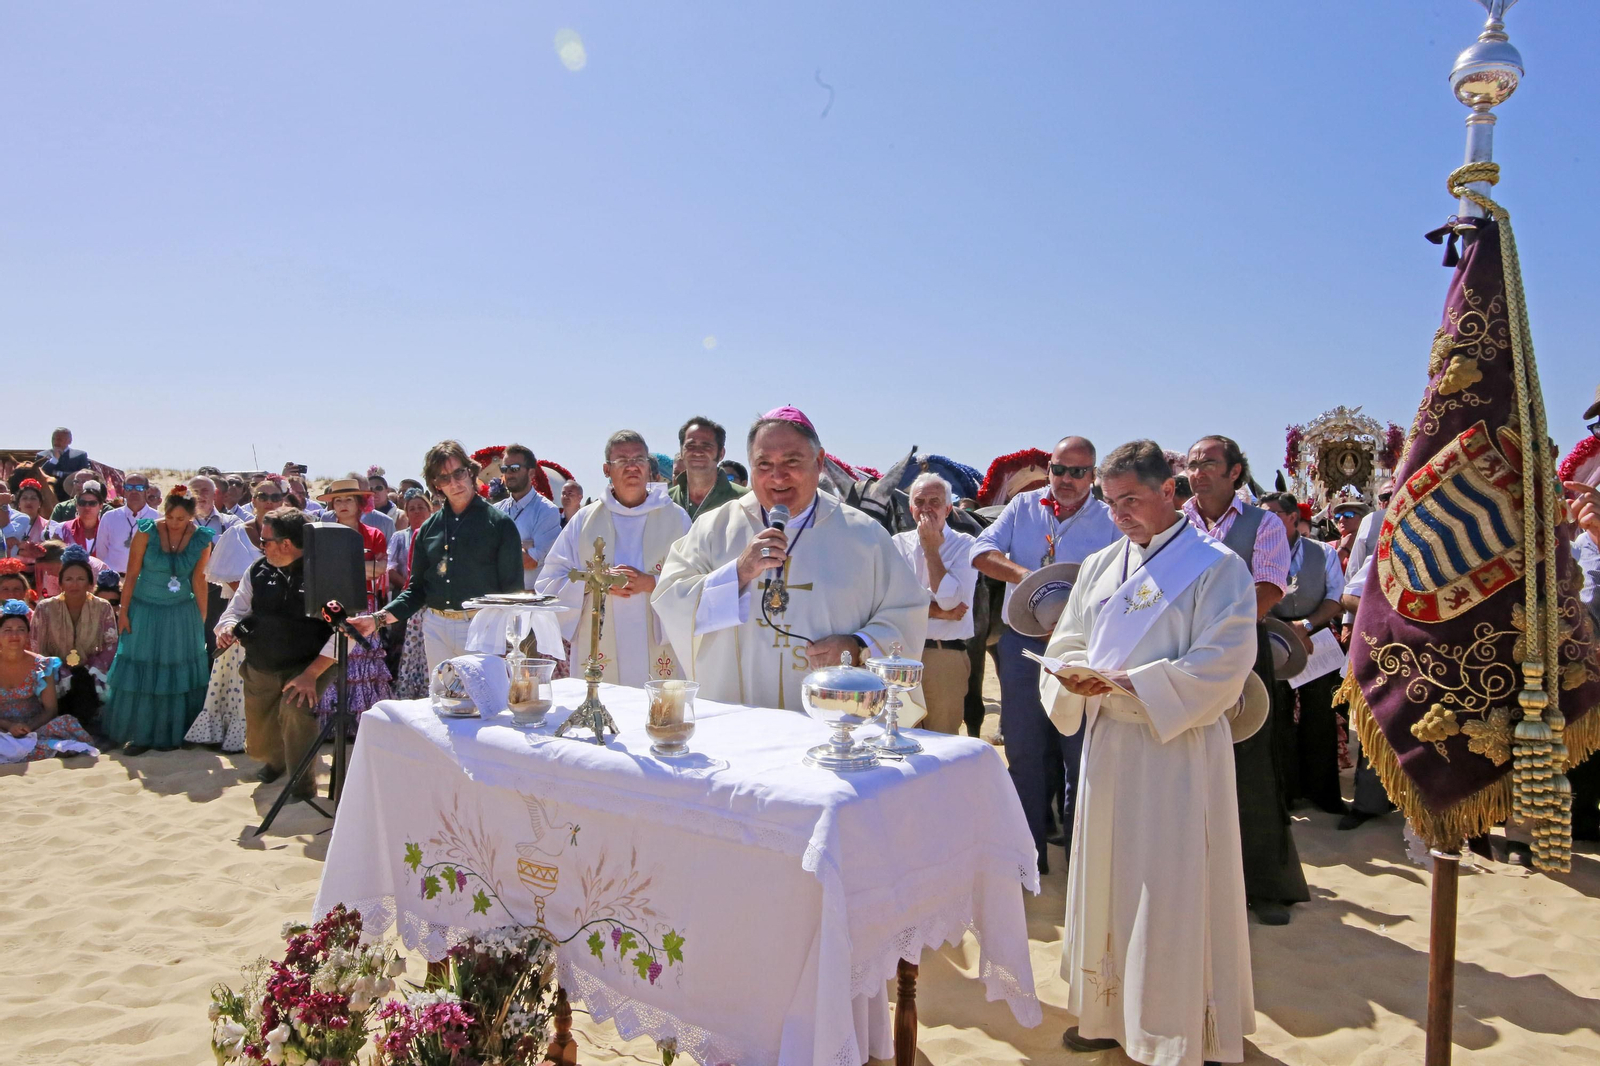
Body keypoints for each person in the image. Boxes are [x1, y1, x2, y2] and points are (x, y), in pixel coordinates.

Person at [1038, 440, 1256, 1066]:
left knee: (1169, 886)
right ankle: (1106, 1016)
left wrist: (1138, 684)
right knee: (1108, 877)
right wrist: (1074, 675)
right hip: (1109, 745)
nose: (1119, 514)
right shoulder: (1101, 564)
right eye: (1110, 502)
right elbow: (1069, 638)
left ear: (1169, 491)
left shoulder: (1215, 567)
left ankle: (1176, 1030)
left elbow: (1226, 660)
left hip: (1175, 749)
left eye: (1131, 499)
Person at [654, 407, 928, 711]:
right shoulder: (713, 528)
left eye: (792, 461)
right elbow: (670, 599)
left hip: (832, 721)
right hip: (737, 717)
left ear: (819, 462)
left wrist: (858, 646)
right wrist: (737, 573)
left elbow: (908, 612)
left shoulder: (865, 535)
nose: (777, 475)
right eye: (764, 464)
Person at [970, 436, 1119, 872]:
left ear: (1093, 475)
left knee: (1079, 756)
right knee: (1024, 752)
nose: (1066, 479)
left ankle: (1079, 864)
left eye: (1078, 472)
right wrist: (1025, 578)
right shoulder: (1022, 507)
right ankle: (1027, 859)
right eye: (1059, 469)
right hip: (1022, 646)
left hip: (1082, 649)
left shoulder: (1109, 519)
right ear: (1048, 469)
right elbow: (981, 551)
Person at [1183, 435, 1307, 925]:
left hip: (1240, 653)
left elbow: (1269, 588)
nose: (1197, 472)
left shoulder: (1263, 523)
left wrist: (1218, 632)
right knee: (1189, 759)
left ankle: (1266, 886)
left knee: (1251, 766)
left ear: (1235, 471)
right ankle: (1197, 881)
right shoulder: (1175, 520)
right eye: (1192, 463)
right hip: (1181, 651)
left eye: (1208, 463)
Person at [353, 441, 522, 670]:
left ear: (470, 472)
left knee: (484, 693)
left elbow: (512, 593)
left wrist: (509, 644)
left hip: (482, 627)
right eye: (444, 477)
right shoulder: (428, 529)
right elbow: (416, 591)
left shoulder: (500, 525)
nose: (454, 483)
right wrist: (377, 619)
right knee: (441, 693)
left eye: (459, 473)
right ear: (436, 484)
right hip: (435, 627)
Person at [539, 432, 691, 686]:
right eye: (622, 460)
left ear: (649, 467)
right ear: (606, 469)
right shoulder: (584, 520)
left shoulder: (676, 518)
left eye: (639, 459)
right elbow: (549, 582)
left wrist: (651, 583)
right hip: (597, 642)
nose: (632, 467)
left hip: (658, 647)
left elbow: (695, 581)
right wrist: (594, 581)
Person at [216, 507, 338, 794]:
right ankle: (277, 761)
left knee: (295, 712)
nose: (261, 546)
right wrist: (228, 627)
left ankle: (302, 786)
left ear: (286, 544)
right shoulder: (257, 570)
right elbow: (236, 610)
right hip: (261, 664)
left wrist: (311, 674)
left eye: (265, 541)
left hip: (308, 664)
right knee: (260, 740)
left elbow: (345, 632)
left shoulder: (325, 575)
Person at [101, 486, 215, 755]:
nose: (175, 523)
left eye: (182, 519)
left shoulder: (201, 539)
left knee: (176, 670)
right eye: (171, 517)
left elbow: (199, 580)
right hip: (144, 609)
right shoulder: (146, 531)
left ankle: (178, 732)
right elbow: (131, 574)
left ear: (192, 516)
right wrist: (124, 611)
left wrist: (201, 618)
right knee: (143, 667)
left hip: (181, 612)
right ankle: (139, 735)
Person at [1259, 492, 1347, 815]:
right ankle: (1285, 795)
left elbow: (1335, 598)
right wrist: (1283, 629)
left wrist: (1305, 626)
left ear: (1293, 518)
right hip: (1273, 639)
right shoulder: (1257, 553)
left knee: (1320, 715)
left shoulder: (1323, 552)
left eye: (1272, 515)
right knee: (1277, 716)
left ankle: (1323, 793)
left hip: (1315, 639)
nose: (1264, 521)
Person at [891, 473, 978, 734]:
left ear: (948, 509)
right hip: (901, 656)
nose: (926, 508)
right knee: (900, 738)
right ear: (911, 508)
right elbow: (889, 603)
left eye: (935, 502)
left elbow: (951, 602)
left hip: (944, 657)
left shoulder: (965, 546)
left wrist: (931, 550)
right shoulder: (897, 544)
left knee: (941, 741)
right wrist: (935, 610)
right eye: (920, 502)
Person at [313, 478, 393, 719]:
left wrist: (340, 565)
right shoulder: (323, 535)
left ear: (360, 504)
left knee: (364, 658)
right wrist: (361, 566)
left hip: (364, 603)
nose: (343, 504)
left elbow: (380, 569)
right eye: (338, 500)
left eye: (349, 499)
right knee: (331, 656)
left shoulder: (374, 534)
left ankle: (363, 719)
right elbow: (320, 571)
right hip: (331, 604)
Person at [29, 546, 118, 732]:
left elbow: (111, 644)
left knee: (84, 684)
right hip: (54, 671)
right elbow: (36, 647)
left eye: (80, 579)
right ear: (60, 583)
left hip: (91, 670)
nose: (74, 584)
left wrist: (92, 666)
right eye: (69, 579)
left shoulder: (102, 607)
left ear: (90, 583)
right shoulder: (45, 608)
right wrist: (58, 668)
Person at [0, 600, 98, 761]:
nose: (14, 635)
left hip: (34, 727)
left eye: (20, 630)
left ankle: (36, 748)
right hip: (2, 728)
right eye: (7, 630)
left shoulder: (41, 664)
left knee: (66, 725)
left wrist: (28, 728)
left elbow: (50, 709)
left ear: (28, 634)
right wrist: (9, 726)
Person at [386, 488, 435, 698]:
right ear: (406, 513)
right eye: (412, 508)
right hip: (406, 596)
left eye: (421, 507)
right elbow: (390, 568)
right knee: (402, 644)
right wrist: (410, 588)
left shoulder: (437, 536)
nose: (417, 512)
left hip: (432, 599)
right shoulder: (399, 537)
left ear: (430, 510)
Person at [495, 444, 563, 590]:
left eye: (514, 468)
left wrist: (499, 546)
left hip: (530, 597)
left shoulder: (546, 511)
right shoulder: (496, 510)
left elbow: (531, 561)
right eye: (504, 469)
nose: (509, 474)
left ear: (531, 473)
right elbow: (483, 555)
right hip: (499, 596)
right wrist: (522, 546)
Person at [669, 417, 750, 521]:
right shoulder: (666, 501)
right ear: (681, 452)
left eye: (706, 446)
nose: (698, 452)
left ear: (721, 454)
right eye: (690, 446)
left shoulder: (744, 500)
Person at [96, 475, 159, 573]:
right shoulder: (109, 517)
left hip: (144, 578)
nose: (134, 491)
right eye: (129, 487)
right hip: (114, 577)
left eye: (139, 488)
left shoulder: (157, 518)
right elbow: (101, 552)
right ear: (124, 491)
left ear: (147, 491)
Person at [57, 481, 107, 559]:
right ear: (77, 505)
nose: (87, 507)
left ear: (101, 506)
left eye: (92, 503)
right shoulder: (62, 529)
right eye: (82, 503)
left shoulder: (108, 530)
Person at [38, 428, 91, 494]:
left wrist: (59, 474)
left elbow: (85, 475)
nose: (55, 442)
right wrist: (54, 459)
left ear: (69, 441)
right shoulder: (42, 455)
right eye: (53, 439)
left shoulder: (79, 455)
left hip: (71, 494)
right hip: (47, 494)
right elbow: (39, 474)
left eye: (59, 439)